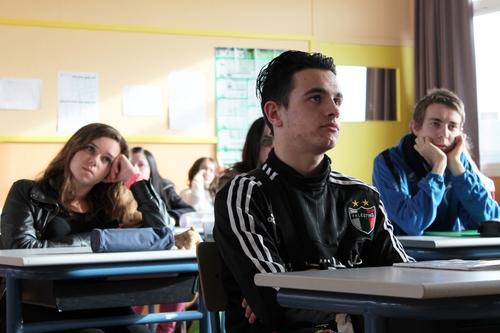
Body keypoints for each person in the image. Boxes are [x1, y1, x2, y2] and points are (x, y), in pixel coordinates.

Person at [213, 50, 411, 333]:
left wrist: (311, 288)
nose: (334, 110)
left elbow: (404, 283)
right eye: (316, 98)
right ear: (274, 113)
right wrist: (360, 292)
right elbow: (276, 303)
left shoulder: (360, 196)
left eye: (337, 99)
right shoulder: (246, 194)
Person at [0, 123, 170, 333]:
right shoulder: (28, 191)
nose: (94, 160)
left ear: (111, 170)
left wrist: (133, 178)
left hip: (94, 299)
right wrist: (97, 240)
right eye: (90, 148)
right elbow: (20, 248)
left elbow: (162, 233)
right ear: (74, 148)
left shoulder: (109, 207)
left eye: (106, 159)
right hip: (35, 302)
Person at [372, 88, 500, 236]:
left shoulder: (458, 162)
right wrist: (438, 168)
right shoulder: (388, 162)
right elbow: (412, 224)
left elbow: (492, 221)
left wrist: (459, 172)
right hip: (407, 253)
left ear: (460, 133)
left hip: (452, 254)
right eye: (435, 124)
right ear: (415, 127)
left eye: (452, 126)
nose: (444, 134)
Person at [131, 147, 195, 226]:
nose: (134, 169)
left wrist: (171, 217)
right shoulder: (121, 192)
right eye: (130, 165)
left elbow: (189, 210)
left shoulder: (165, 187)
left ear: (151, 168)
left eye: (141, 165)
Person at [217, 117, 273, 191]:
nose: (274, 147)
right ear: (254, 145)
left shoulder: (283, 179)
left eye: (280, 143)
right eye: (268, 141)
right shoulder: (232, 181)